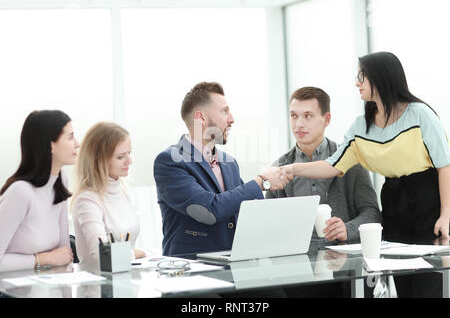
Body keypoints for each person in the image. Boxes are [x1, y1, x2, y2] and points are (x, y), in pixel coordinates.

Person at [284, 51, 450, 297]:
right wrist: (291, 168)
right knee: (403, 285)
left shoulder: (420, 114)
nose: (356, 82)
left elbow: (444, 164)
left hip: (429, 201)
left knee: (429, 287)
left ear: (381, 77)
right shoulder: (362, 125)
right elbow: (333, 165)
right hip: (394, 202)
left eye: (362, 76)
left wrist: (446, 213)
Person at [266, 86, 381, 297]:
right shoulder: (279, 168)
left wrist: (348, 228)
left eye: (308, 116)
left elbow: (372, 213)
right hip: (297, 272)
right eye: (294, 116)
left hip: (345, 271)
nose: (299, 123)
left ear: (326, 119)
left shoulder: (349, 162)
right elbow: (268, 227)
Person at [154, 82, 292, 256]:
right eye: (224, 111)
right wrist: (262, 181)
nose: (232, 119)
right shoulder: (169, 161)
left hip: (232, 269)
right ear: (201, 118)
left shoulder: (229, 163)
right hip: (191, 272)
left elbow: (244, 210)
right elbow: (208, 211)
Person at [0, 110, 78, 272]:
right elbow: (55, 258)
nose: (77, 143)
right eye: (70, 137)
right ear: (51, 145)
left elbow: (64, 255)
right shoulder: (21, 192)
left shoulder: (60, 181)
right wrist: (43, 259)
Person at [71, 122, 146, 265]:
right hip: (99, 284)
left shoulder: (122, 190)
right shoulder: (87, 200)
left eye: (129, 153)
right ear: (99, 160)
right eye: (120, 157)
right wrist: (135, 254)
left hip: (126, 277)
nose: (129, 161)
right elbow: (101, 254)